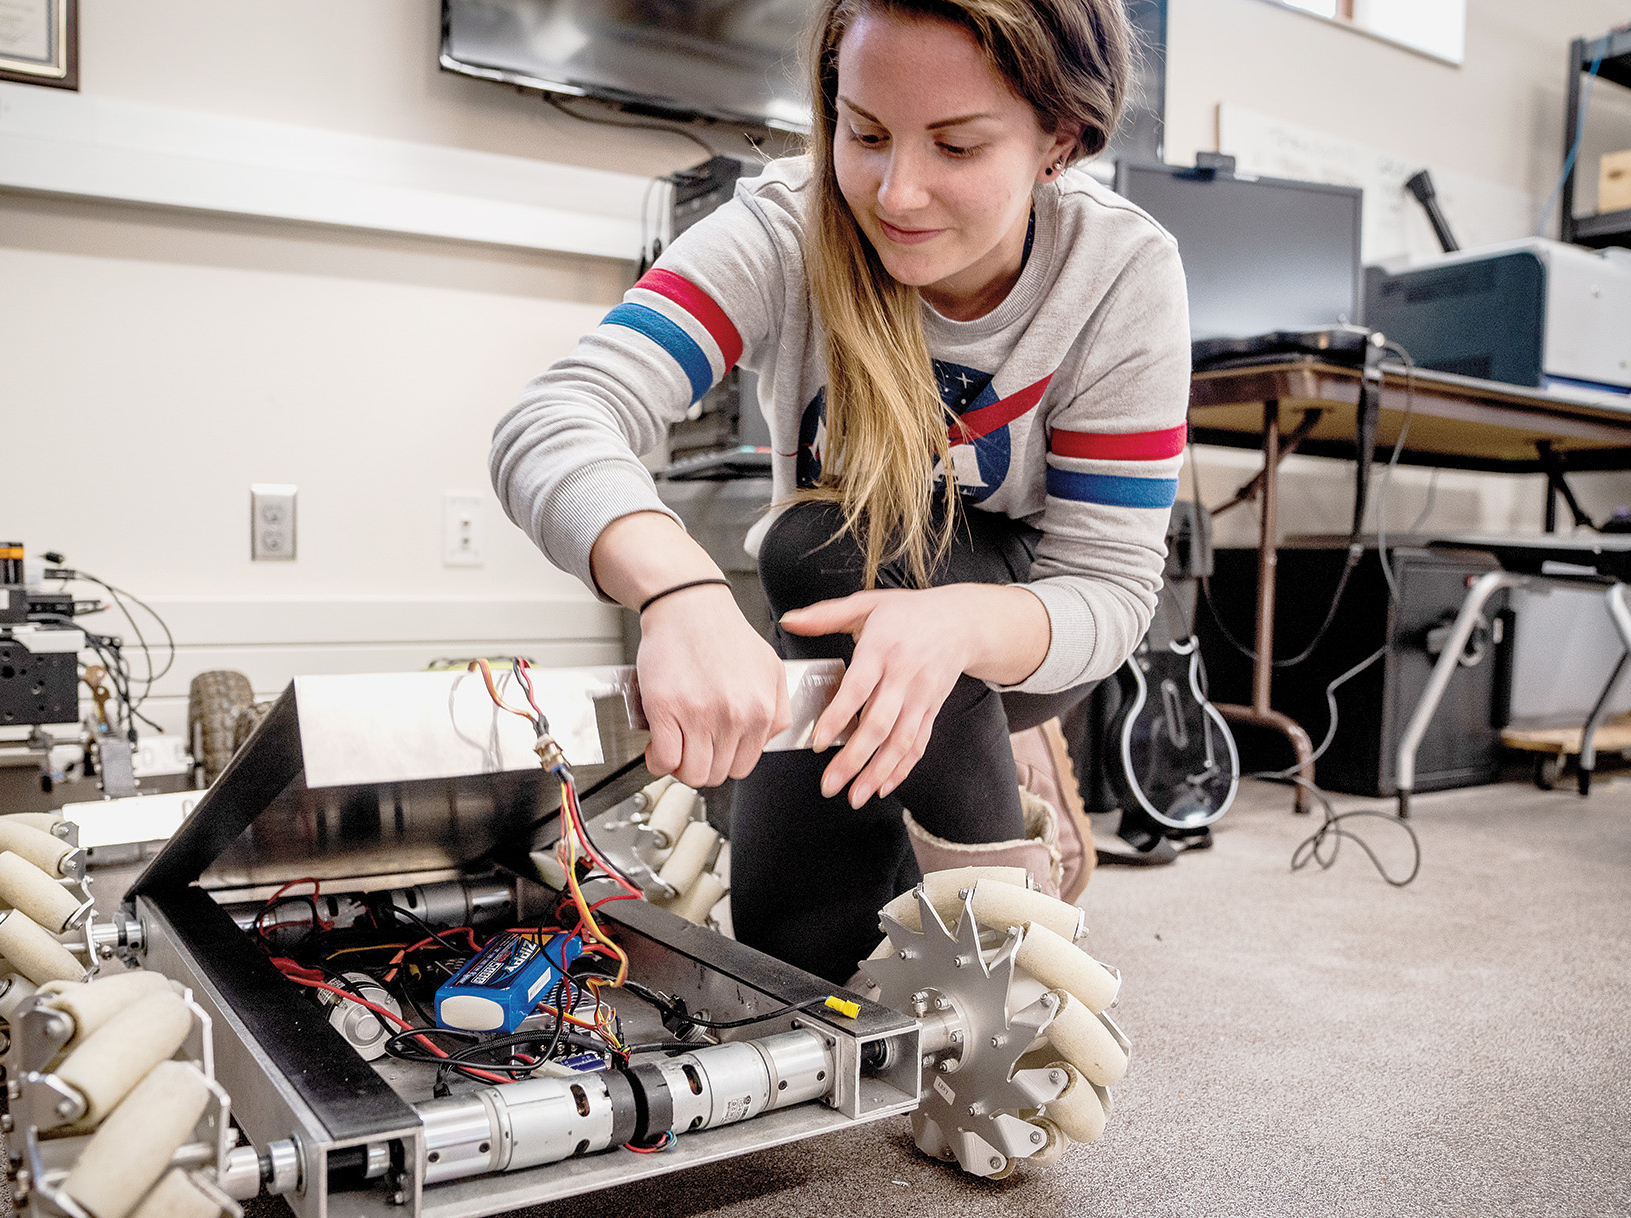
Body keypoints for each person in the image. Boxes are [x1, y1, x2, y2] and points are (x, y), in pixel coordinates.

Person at [492, 0, 1190, 983]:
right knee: (801, 962)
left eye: (954, 145)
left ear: (1057, 142)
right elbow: (556, 415)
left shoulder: (1120, 269)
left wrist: (955, 631)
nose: (895, 191)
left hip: (1025, 628)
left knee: (824, 542)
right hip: (848, 612)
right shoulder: (787, 220)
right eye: (863, 133)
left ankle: (1003, 874)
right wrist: (676, 590)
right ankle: (973, 758)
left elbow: (1111, 590)